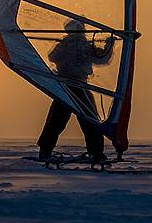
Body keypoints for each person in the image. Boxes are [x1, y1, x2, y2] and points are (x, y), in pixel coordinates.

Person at [36, 18, 115, 164]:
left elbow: (101, 58)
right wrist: (108, 45)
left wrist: (109, 44)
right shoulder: (77, 46)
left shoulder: (78, 45)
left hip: (74, 87)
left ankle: (46, 151)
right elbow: (102, 58)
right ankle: (95, 153)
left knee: (73, 122)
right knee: (77, 121)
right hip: (70, 87)